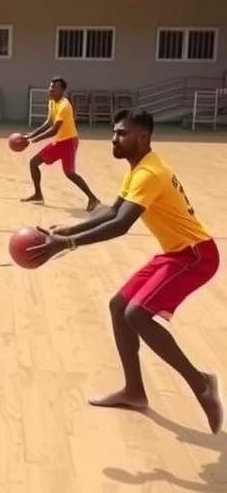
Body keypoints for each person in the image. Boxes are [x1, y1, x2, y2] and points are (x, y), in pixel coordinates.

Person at [29, 109, 222, 433]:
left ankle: (201, 382)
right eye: (115, 132)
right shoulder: (140, 168)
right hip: (177, 253)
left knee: (137, 314)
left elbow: (120, 225)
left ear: (143, 137)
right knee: (119, 307)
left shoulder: (150, 174)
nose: (114, 138)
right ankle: (134, 391)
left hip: (195, 256)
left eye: (122, 133)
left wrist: (67, 243)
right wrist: (69, 229)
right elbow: (113, 210)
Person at [19, 76, 99, 211]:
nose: (50, 89)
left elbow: (54, 129)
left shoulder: (65, 105)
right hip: (59, 141)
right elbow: (48, 123)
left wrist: (36, 139)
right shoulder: (52, 102)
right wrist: (31, 135)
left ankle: (93, 198)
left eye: (53, 87)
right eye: (50, 86)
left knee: (69, 173)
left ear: (61, 90)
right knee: (34, 163)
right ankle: (38, 194)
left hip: (69, 141)